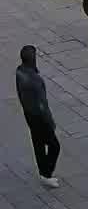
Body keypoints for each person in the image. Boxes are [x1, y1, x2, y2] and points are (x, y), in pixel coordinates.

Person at [16, 46, 59, 188]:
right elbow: (42, 105)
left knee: (38, 142)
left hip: (28, 113)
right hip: (39, 116)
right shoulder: (35, 80)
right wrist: (50, 121)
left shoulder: (19, 71)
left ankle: (43, 171)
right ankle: (46, 173)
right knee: (54, 145)